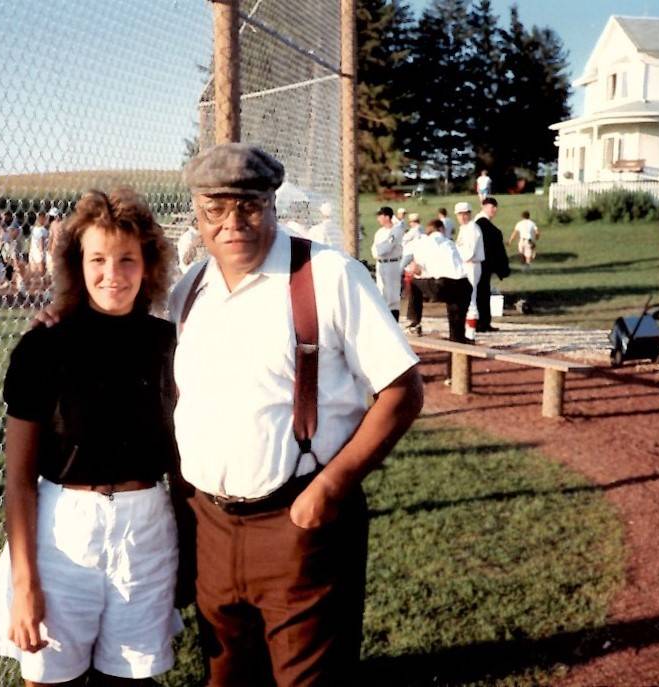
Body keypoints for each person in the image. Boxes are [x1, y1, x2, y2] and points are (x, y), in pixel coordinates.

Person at [170, 143, 423, 686]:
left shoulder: (328, 275)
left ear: (274, 203)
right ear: (197, 212)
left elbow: (403, 391)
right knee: (226, 677)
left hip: (298, 523)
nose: (233, 223)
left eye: (250, 204)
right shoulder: (191, 288)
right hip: (210, 528)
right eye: (215, 208)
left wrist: (329, 490)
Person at [0, 188, 183, 686]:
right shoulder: (43, 347)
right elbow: (20, 481)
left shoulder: (169, 344)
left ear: (148, 264)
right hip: (64, 533)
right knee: (50, 679)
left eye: (127, 259)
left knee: (131, 679)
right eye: (98, 259)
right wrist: (25, 585)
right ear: (77, 263)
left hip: (146, 532)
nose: (113, 273)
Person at [404, 219, 472, 342]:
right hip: (464, 284)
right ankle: (457, 337)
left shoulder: (422, 242)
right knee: (456, 311)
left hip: (443, 284)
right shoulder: (450, 243)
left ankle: (414, 322)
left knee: (414, 282)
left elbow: (416, 269)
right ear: (441, 229)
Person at [473, 197, 510, 333]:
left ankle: (483, 321)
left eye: (495, 207)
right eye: (491, 206)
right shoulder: (482, 225)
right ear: (483, 207)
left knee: (483, 292)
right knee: (481, 293)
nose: (494, 209)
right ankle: (481, 322)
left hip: (482, 264)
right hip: (481, 264)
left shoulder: (481, 224)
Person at [453, 201, 484, 342]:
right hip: (465, 265)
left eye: (465, 213)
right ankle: (466, 331)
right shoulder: (464, 228)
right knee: (465, 298)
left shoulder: (472, 229)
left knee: (470, 298)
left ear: (469, 214)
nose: (462, 216)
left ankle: (470, 334)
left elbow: (468, 253)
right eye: (460, 214)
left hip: (471, 265)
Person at [371, 205, 405, 320]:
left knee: (392, 295)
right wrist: (377, 253)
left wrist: (378, 251)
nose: (378, 219)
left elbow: (387, 247)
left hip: (392, 263)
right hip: (381, 263)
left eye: (380, 216)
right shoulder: (379, 232)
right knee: (381, 291)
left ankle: (393, 321)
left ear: (387, 217)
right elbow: (374, 249)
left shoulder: (396, 230)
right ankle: (385, 320)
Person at [28, 211, 51, 285]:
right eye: (45, 218)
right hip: (39, 252)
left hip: (33, 251)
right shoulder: (42, 229)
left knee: (34, 273)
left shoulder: (34, 228)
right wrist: (42, 252)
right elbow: (41, 241)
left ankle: (35, 289)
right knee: (42, 273)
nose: (47, 220)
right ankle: (44, 289)